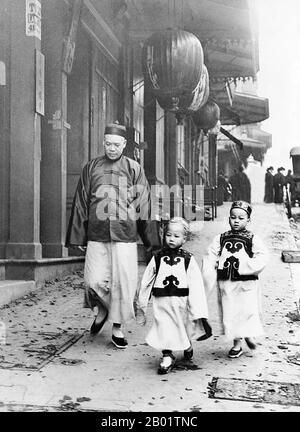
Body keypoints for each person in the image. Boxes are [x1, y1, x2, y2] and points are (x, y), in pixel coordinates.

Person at [65, 121, 154, 349]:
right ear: (103, 143)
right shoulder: (91, 167)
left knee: (123, 283)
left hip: (125, 234)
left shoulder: (134, 169)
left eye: (116, 144)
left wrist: (152, 243)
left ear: (124, 144)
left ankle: (117, 327)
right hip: (97, 233)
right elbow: (81, 202)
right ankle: (103, 309)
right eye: (107, 144)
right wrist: (78, 236)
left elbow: (144, 205)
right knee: (93, 281)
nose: (111, 149)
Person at [135, 217, 212, 374]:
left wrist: (197, 307)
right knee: (163, 325)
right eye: (169, 234)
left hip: (180, 300)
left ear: (184, 238)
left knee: (179, 325)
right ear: (164, 234)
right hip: (161, 299)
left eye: (176, 236)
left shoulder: (187, 259)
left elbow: (196, 284)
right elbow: (147, 279)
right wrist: (142, 300)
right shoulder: (158, 257)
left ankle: (186, 344)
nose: (172, 239)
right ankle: (167, 354)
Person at [202, 201, 268, 358]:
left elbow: (263, 256)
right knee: (231, 312)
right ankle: (237, 344)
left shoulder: (252, 239)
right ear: (229, 218)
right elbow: (211, 255)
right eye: (233, 217)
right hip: (227, 282)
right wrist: (211, 270)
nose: (236, 221)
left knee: (247, 311)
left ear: (248, 220)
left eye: (241, 218)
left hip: (246, 282)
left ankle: (248, 334)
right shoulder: (221, 238)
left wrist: (248, 267)